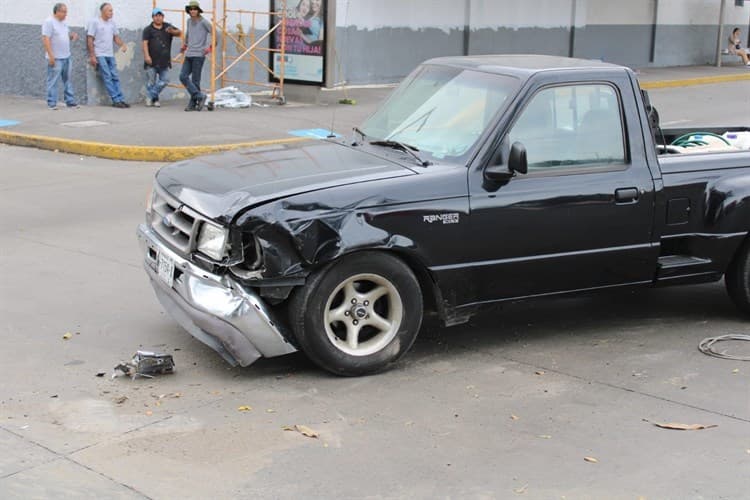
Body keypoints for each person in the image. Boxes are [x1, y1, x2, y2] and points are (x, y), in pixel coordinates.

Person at [87, 2, 130, 107]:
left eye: (112, 10)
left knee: (115, 76)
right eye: (109, 10)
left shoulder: (112, 23)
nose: (112, 12)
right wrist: (92, 56)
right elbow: (90, 39)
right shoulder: (95, 22)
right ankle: (115, 100)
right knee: (107, 76)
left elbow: (115, 37)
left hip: (110, 54)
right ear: (103, 11)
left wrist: (122, 45)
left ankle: (121, 99)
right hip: (100, 54)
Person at [42, 3, 80, 110]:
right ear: (57, 11)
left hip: (66, 56)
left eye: (66, 12)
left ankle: (70, 101)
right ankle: (52, 102)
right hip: (56, 57)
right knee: (53, 80)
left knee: (67, 79)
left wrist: (72, 36)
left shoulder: (63, 23)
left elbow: (65, 35)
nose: (65, 14)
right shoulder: (49, 22)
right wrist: (51, 55)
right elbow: (46, 39)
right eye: (63, 12)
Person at [142, 7, 181, 107]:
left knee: (165, 80)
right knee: (151, 82)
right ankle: (155, 100)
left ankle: (150, 96)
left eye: (160, 16)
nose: (158, 18)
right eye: (156, 16)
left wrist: (172, 31)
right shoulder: (148, 30)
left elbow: (179, 32)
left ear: (163, 17)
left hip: (164, 61)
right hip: (151, 60)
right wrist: (146, 56)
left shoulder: (168, 27)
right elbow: (145, 43)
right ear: (153, 17)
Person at [180, 1, 212, 111]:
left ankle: (193, 104)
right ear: (189, 10)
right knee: (183, 76)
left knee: (195, 81)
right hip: (189, 53)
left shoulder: (204, 22)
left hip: (199, 55)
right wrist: (185, 45)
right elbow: (188, 34)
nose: (193, 11)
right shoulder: (189, 21)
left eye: (195, 9)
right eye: (191, 9)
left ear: (198, 10)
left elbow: (215, 33)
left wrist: (210, 47)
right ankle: (200, 96)